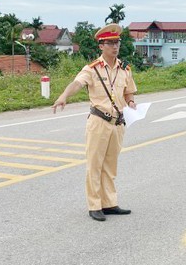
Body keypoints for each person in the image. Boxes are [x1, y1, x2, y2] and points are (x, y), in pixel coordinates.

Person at [52, 23, 137, 222]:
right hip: (99, 121)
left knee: (110, 165)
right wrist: (64, 95)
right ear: (101, 46)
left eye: (117, 43)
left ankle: (109, 203)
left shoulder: (125, 68)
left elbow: (129, 90)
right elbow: (77, 83)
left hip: (118, 123)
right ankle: (94, 205)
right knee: (95, 165)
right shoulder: (92, 69)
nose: (115, 47)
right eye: (110, 43)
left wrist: (131, 101)